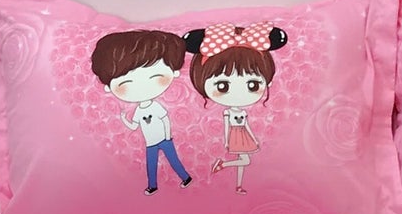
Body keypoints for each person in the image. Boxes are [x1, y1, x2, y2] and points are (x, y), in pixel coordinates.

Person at [185, 24, 287, 194]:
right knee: (245, 161)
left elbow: (246, 125)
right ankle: (225, 167)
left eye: (253, 85)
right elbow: (227, 126)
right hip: (235, 137)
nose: (238, 93)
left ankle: (237, 183)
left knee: (244, 162)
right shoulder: (228, 112)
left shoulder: (241, 112)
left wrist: (253, 138)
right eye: (222, 86)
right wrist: (226, 141)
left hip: (244, 137)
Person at [90, 30, 195, 195]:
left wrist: (168, 136)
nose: (141, 86)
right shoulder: (139, 110)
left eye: (155, 77)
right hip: (150, 143)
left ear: (174, 72)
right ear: (109, 87)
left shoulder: (156, 107)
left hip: (164, 140)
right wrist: (124, 119)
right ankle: (152, 185)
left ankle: (186, 177)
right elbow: (134, 126)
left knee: (173, 159)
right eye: (127, 83)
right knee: (151, 164)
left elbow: (165, 119)